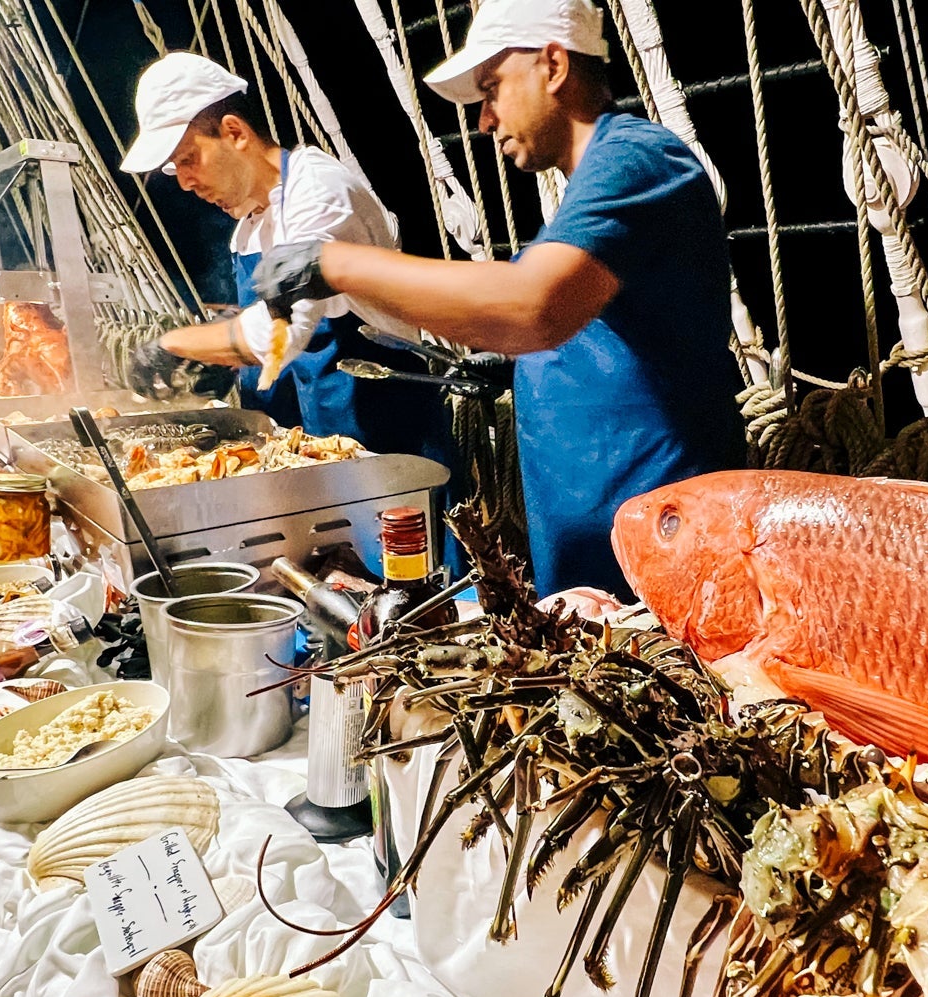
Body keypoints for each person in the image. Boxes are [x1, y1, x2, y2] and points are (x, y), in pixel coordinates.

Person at [253, 0, 747, 598]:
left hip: (661, 564)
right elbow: (583, 317)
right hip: (594, 564)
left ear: (555, 66)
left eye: (492, 87)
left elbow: (530, 308)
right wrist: (519, 364)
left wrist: (336, 262)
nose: (485, 118)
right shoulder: (589, 186)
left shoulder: (639, 159)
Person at [117, 51, 452, 460]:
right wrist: (222, 365)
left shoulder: (318, 191)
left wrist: (174, 344)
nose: (186, 182)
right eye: (176, 168)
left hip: (385, 446)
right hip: (309, 452)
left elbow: (277, 333)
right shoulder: (248, 228)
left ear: (235, 132)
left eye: (188, 159)